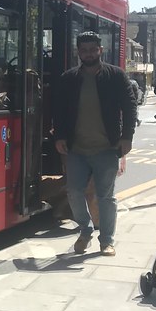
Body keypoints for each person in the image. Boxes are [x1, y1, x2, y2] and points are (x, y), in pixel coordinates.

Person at [52, 31, 137, 256]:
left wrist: (127, 137)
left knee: (105, 196)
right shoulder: (69, 78)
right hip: (76, 148)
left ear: (100, 50)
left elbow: (130, 107)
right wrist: (59, 136)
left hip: (107, 148)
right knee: (73, 191)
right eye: (84, 50)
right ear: (78, 52)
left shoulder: (116, 76)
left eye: (92, 49)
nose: (88, 54)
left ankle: (107, 240)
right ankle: (85, 229)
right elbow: (59, 110)